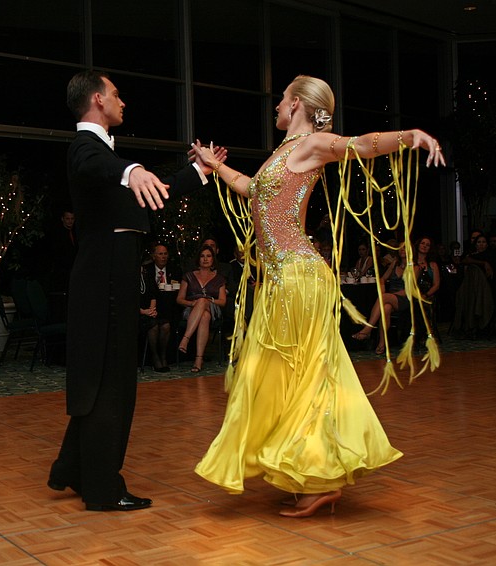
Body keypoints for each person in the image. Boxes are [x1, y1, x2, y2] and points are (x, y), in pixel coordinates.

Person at [190, 74, 444, 518]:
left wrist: (413, 136)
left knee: (298, 377)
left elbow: (363, 145)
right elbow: (251, 190)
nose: (275, 107)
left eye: (282, 100)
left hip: (298, 277)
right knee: (288, 377)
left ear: (298, 105)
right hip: (285, 280)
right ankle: (310, 474)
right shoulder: (285, 153)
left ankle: (317, 476)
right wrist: (214, 165)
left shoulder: (312, 143)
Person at [47, 70, 225, 513]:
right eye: (117, 94)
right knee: (114, 387)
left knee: (100, 382)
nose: (122, 101)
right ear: (97, 100)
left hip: (109, 284)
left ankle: (70, 469)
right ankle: (103, 489)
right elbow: (100, 164)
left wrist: (198, 171)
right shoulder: (85, 151)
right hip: (102, 285)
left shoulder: (109, 165)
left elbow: (155, 191)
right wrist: (131, 169)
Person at [352, 241, 411, 355]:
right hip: (390, 298)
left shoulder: (414, 267)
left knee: (384, 299)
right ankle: (382, 343)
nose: (402, 250)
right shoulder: (395, 263)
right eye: (401, 248)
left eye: (405, 248)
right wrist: (384, 289)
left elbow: (410, 290)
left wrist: (388, 295)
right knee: (386, 308)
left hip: (405, 298)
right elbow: (382, 279)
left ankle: (368, 329)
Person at [176, 245, 227, 372]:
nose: (205, 259)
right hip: (192, 309)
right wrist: (193, 304)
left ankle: (185, 338)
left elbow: (222, 302)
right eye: (202, 256)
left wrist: (208, 301)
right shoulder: (188, 276)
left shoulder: (219, 279)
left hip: (213, 308)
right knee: (204, 316)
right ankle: (199, 359)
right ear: (198, 259)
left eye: (208, 256)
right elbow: (179, 299)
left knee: (203, 301)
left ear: (213, 259)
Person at [143, 243, 181, 372]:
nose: (163, 256)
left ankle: (164, 356)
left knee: (166, 326)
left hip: (169, 308)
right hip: (149, 308)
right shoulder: (146, 270)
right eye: (160, 254)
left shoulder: (174, 269)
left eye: (165, 254)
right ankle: (155, 357)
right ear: (154, 256)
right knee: (153, 326)